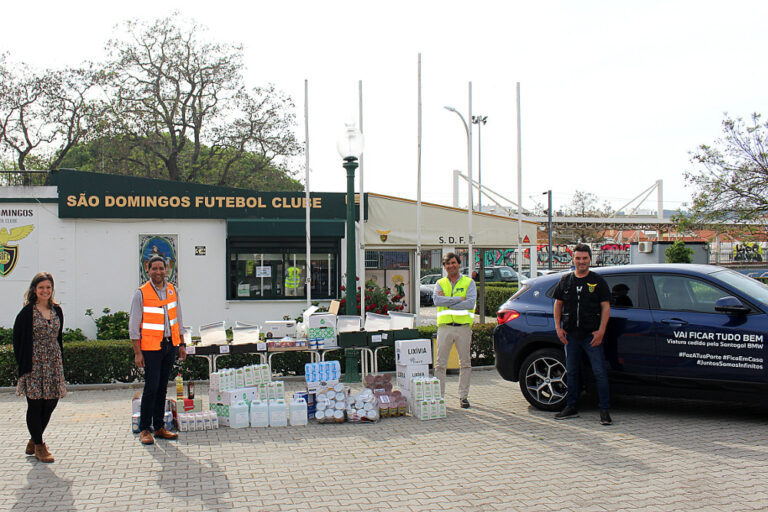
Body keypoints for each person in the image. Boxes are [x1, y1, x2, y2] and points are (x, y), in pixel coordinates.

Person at [552, 243, 613, 425]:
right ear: (573, 259)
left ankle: (604, 410)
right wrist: (558, 327)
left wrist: (601, 331)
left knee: (599, 373)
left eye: (585, 258)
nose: (581, 262)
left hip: (591, 336)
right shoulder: (566, 280)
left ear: (590, 259)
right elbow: (558, 304)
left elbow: (605, 306)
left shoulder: (597, 281)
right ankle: (571, 407)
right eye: (578, 258)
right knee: (571, 372)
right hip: (571, 335)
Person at [130, 255, 187, 445]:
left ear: (167, 269)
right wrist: (137, 352)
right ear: (148, 269)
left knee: (162, 387)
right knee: (151, 387)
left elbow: (177, 320)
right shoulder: (141, 293)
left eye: (161, 268)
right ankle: (145, 428)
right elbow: (134, 326)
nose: (158, 272)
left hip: (169, 345)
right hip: (151, 348)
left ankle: (160, 426)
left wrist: (182, 344)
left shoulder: (172, 290)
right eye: (154, 268)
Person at [13, 272, 66, 463]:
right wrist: (24, 365)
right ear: (34, 290)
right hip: (34, 363)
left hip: (53, 362)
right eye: (41, 287)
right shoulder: (27, 313)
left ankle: (34, 438)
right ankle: (39, 446)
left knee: (51, 402)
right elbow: (17, 340)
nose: (45, 291)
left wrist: (60, 361)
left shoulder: (57, 310)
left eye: (48, 287)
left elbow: (59, 338)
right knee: (35, 404)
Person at [433, 252, 477, 409]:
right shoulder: (440, 283)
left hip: (463, 328)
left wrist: (448, 301)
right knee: (440, 364)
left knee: (465, 363)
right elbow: (437, 300)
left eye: (453, 263)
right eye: (447, 264)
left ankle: (463, 396)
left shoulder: (469, 282)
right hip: (444, 327)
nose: (451, 266)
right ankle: (439, 397)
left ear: (459, 264)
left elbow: (470, 304)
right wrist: (459, 299)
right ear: (444, 266)